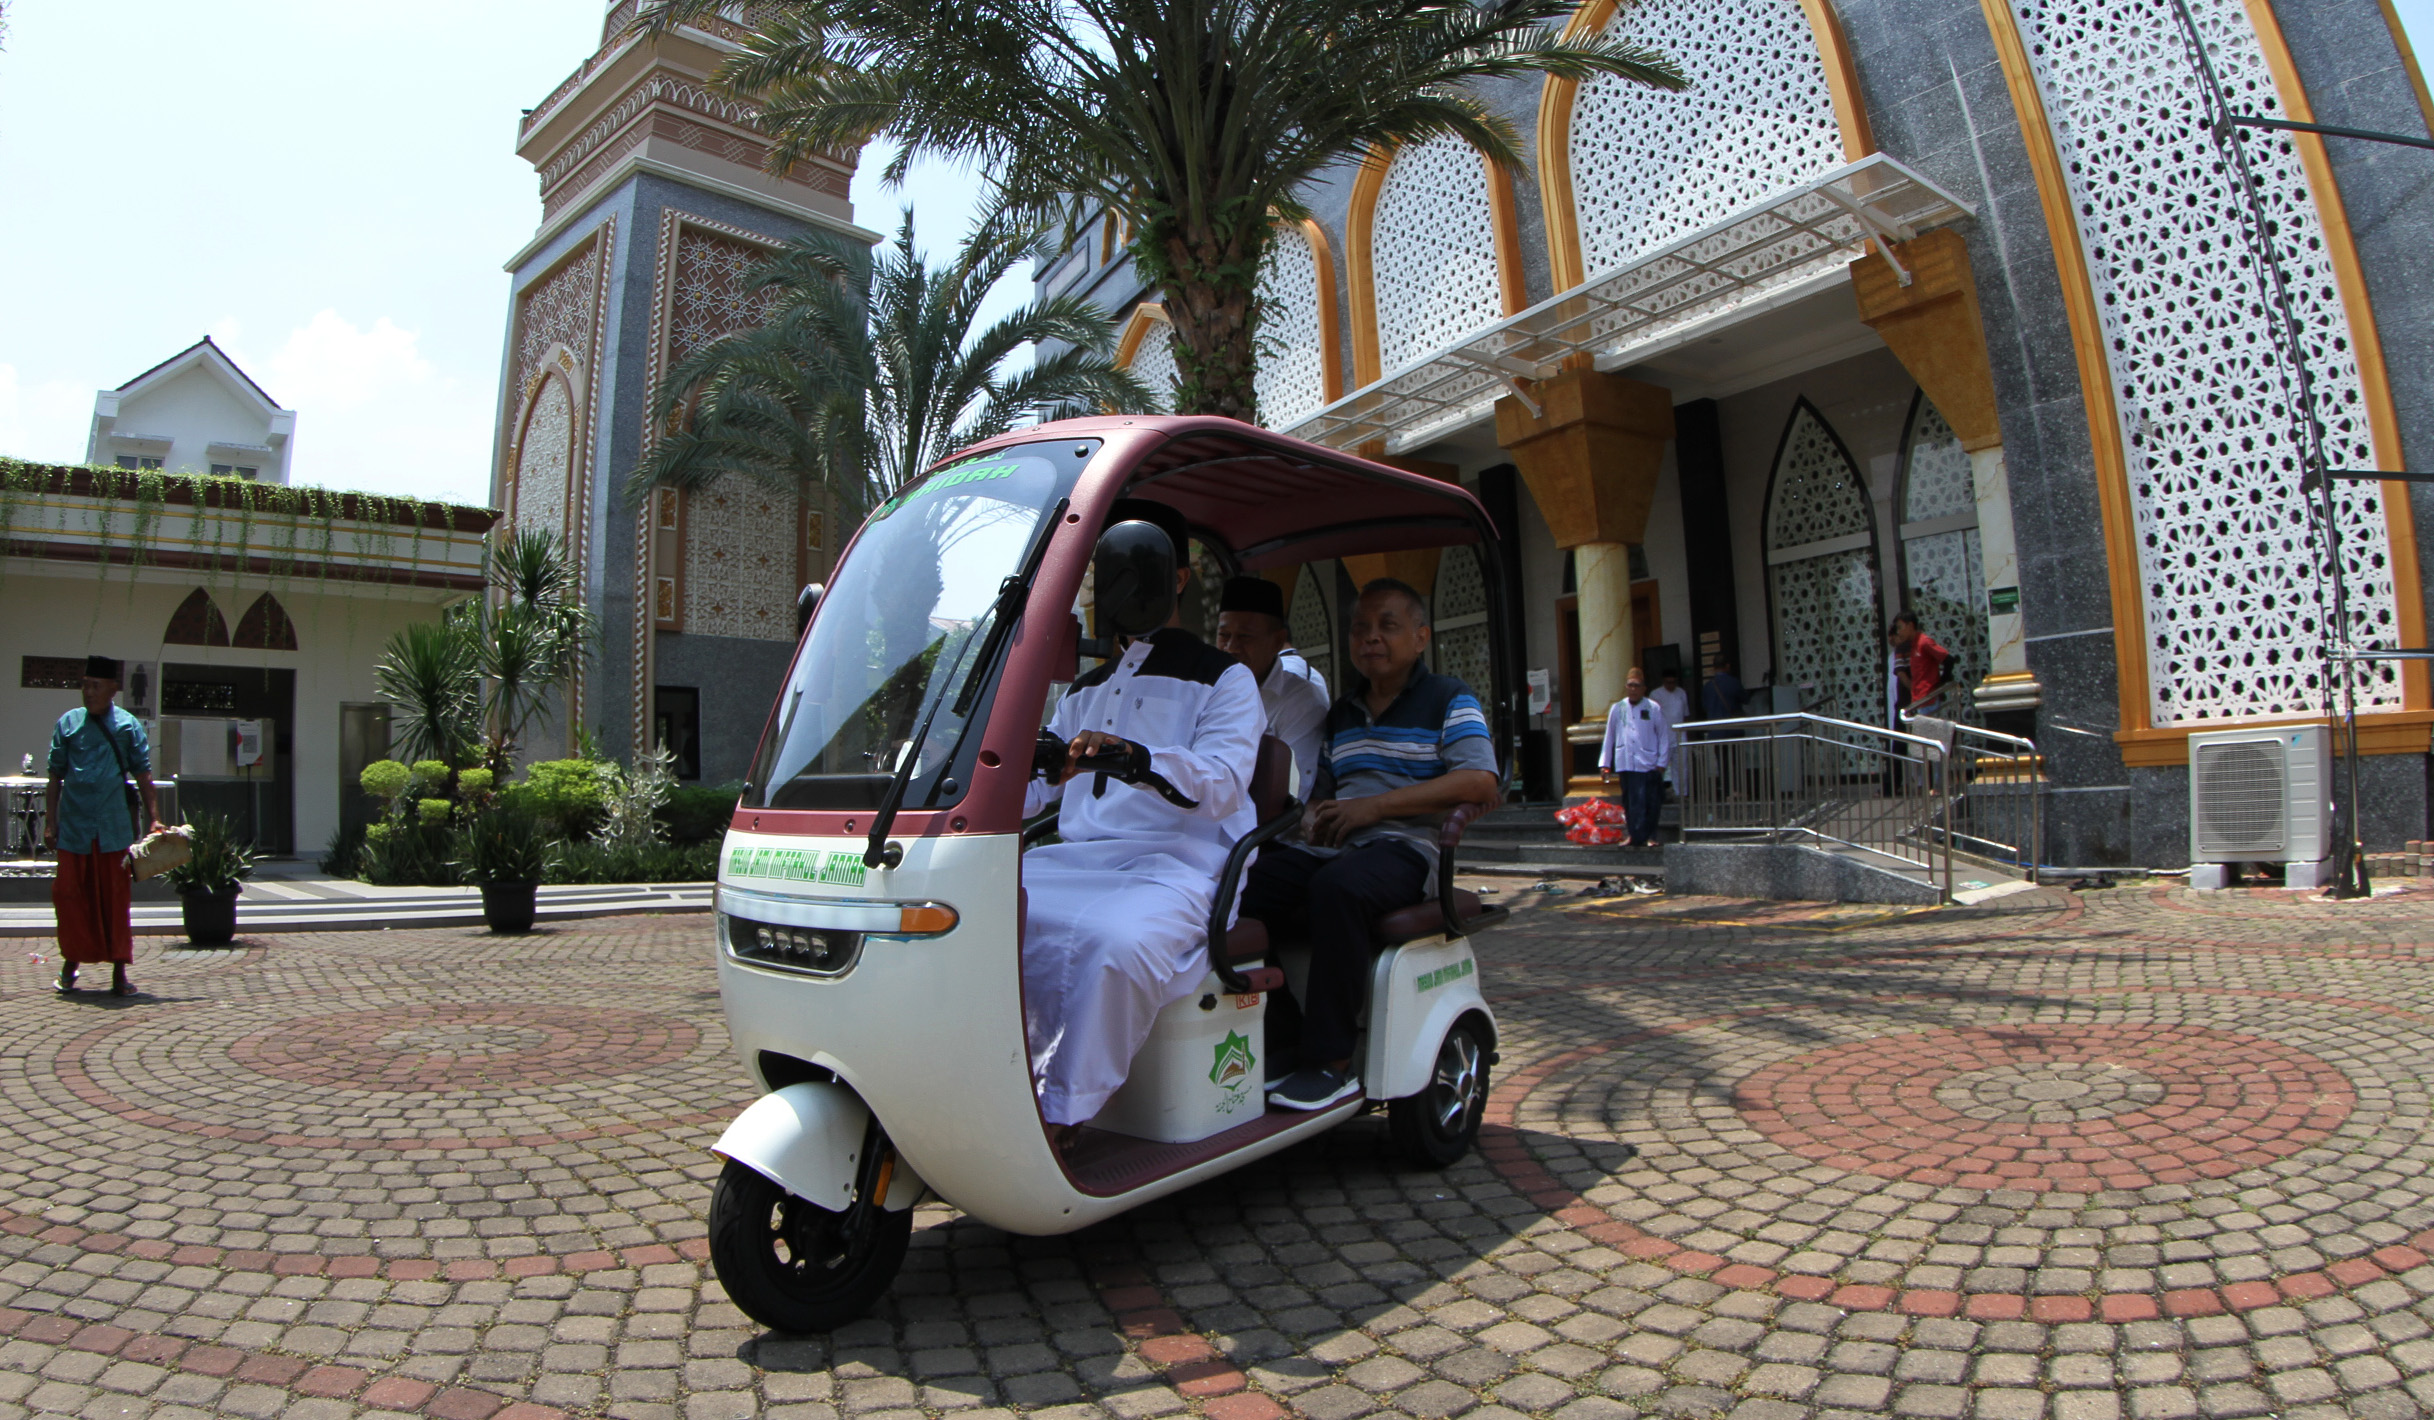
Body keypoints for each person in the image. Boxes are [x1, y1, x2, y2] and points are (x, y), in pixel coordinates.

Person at [1021, 499, 1264, 1142]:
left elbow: (1222, 782)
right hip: (1071, 863)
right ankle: (997, 1077)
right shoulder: (1082, 691)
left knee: (1114, 943)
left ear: (1175, 577)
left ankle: (1062, 1114)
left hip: (1176, 868)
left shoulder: (1226, 679)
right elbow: (1031, 792)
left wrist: (1139, 759)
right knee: (979, 914)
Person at [1239, 579, 1500, 1111]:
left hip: (1408, 850)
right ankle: (1285, 1033)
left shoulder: (1450, 699)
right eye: (1361, 628)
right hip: (1340, 848)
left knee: (1338, 889)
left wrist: (1375, 808)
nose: (1371, 639)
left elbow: (1480, 781)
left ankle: (1332, 1062)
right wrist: (1315, 816)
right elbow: (1325, 795)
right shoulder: (1342, 713)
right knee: (1241, 884)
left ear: (1421, 636)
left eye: (1388, 626)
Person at [45, 655, 165, 997]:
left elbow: (144, 775)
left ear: (113, 689)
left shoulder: (128, 726)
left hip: (112, 831)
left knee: (114, 899)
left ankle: (118, 974)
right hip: (74, 829)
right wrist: (51, 823)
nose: (88, 692)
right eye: (84, 685)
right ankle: (70, 966)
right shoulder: (68, 724)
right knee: (70, 897)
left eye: (95, 686)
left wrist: (154, 818)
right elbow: (55, 776)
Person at [1213, 575, 1331, 800]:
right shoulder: (1207, 689)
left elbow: (1289, 794)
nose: (1230, 648)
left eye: (1245, 637)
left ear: (1278, 641)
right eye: (1224, 636)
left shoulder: (1301, 700)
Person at [1599, 672, 1669, 849]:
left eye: (1637, 685)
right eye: (1630, 685)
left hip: (1648, 762)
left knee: (1650, 802)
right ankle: (1633, 835)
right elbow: (1610, 736)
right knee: (1630, 802)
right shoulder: (1617, 708)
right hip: (1626, 762)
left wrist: (1662, 762)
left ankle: (1650, 836)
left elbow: (1663, 735)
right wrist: (1605, 763)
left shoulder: (1653, 707)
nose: (1633, 689)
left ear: (1644, 688)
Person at [1891, 610, 1956, 719]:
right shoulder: (1914, 644)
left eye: (1900, 627)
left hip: (1929, 699)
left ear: (1910, 625)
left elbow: (1948, 659)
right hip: (1920, 700)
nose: (1898, 632)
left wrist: (1941, 682)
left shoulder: (1924, 642)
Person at [1702, 657, 1744, 721]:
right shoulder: (1734, 682)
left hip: (1715, 726)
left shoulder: (1707, 686)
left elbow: (1705, 706)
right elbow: (1745, 699)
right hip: (1733, 725)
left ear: (1714, 668)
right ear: (1727, 666)